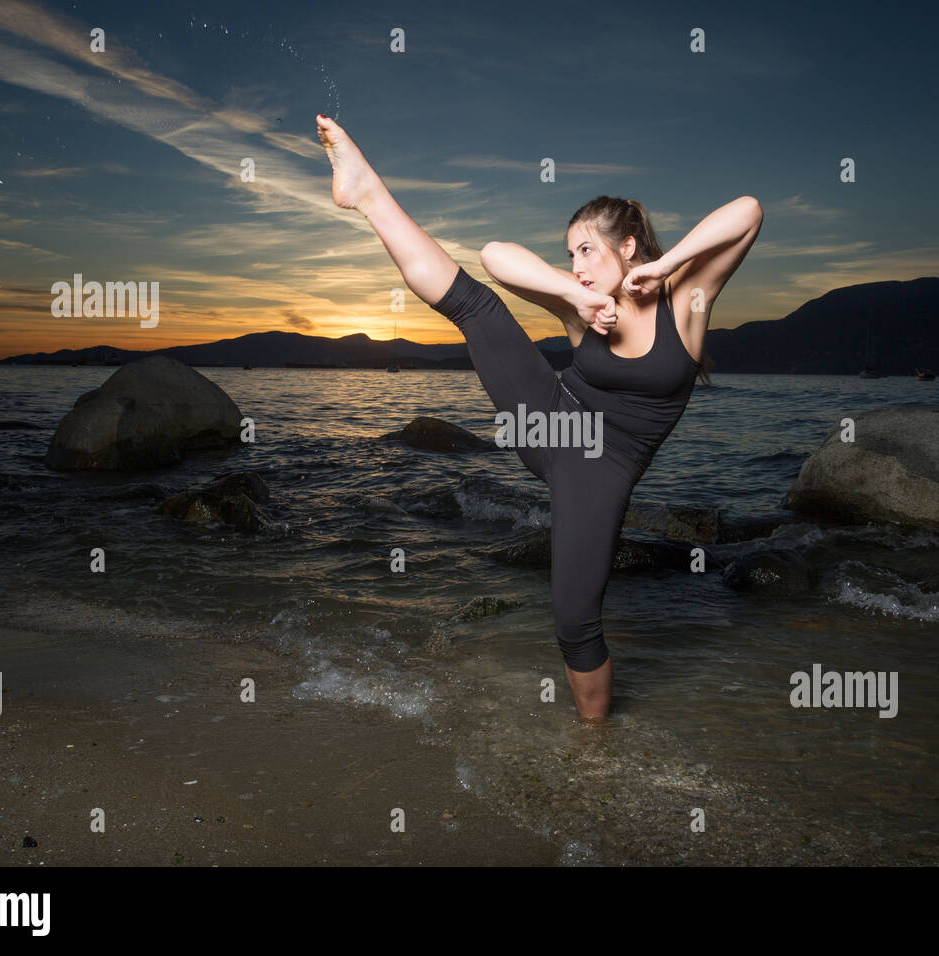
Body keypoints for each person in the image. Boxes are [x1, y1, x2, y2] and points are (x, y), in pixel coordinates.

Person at [316, 113, 761, 719]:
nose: (576, 263)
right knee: (476, 305)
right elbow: (493, 255)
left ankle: (594, 749)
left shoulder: (686, 300)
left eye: (586, 250)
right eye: (569, 252)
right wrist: (574, 295)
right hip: (550, 418)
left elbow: (749, 212)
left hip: (602, 470)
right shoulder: (583, 304)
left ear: (627, 246)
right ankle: (367, 193)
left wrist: (665, 264)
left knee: (575, 622)